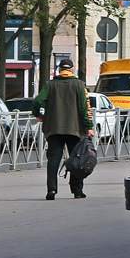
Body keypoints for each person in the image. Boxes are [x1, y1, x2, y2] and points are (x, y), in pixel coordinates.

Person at [32, 59, 93, 200]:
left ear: (59, 70)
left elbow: (37, 101)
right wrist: (89, 127)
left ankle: (51, 190)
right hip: (75, 129)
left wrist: (39, 115)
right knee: (77, 159)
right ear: (72, 70)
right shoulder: (80, 85)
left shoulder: (49, 85)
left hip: (53, 128)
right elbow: (85, 108)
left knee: (53, 159)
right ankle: (77, 191)